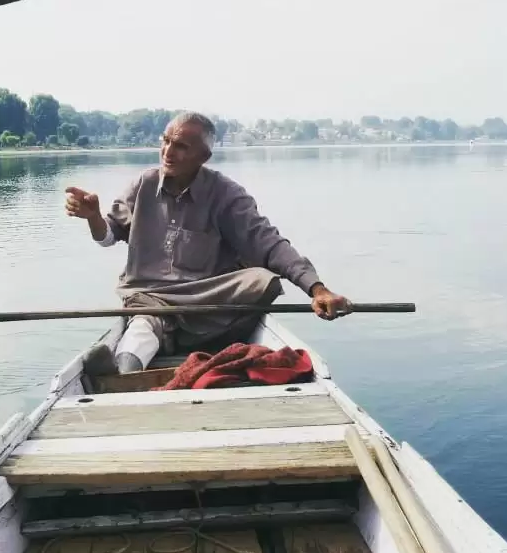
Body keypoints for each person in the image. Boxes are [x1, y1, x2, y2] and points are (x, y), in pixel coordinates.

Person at [65, 112, 352, 374]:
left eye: (181, 146)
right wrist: (93, 218)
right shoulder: (144, 184)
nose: (168, 152)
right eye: (165, 141)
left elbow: (269, 243)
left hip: (203, 299)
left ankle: (176, 336)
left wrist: (317, 289)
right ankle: (122, 373)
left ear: (204, 156)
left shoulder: (226, 194)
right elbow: (110, 235)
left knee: (259, 279)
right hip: (149, 296)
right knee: (144, 324)